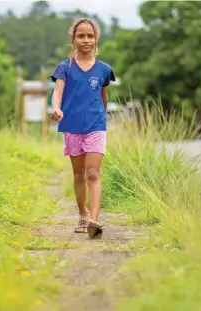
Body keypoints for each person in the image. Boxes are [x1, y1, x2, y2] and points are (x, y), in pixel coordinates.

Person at [49, 17, 116, 239]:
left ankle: (95, 221)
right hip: (72, 127)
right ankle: (82, 213)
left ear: (96, 39)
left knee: (93, 172)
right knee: (79, 173)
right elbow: (57, 92)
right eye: (81, 36)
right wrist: (56, 108)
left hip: (96, 126)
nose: (86, 40)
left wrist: (99, 120)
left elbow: (103, 99)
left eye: (90, 36)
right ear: (73, 39)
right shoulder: (64, 68)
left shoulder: (104, 70)